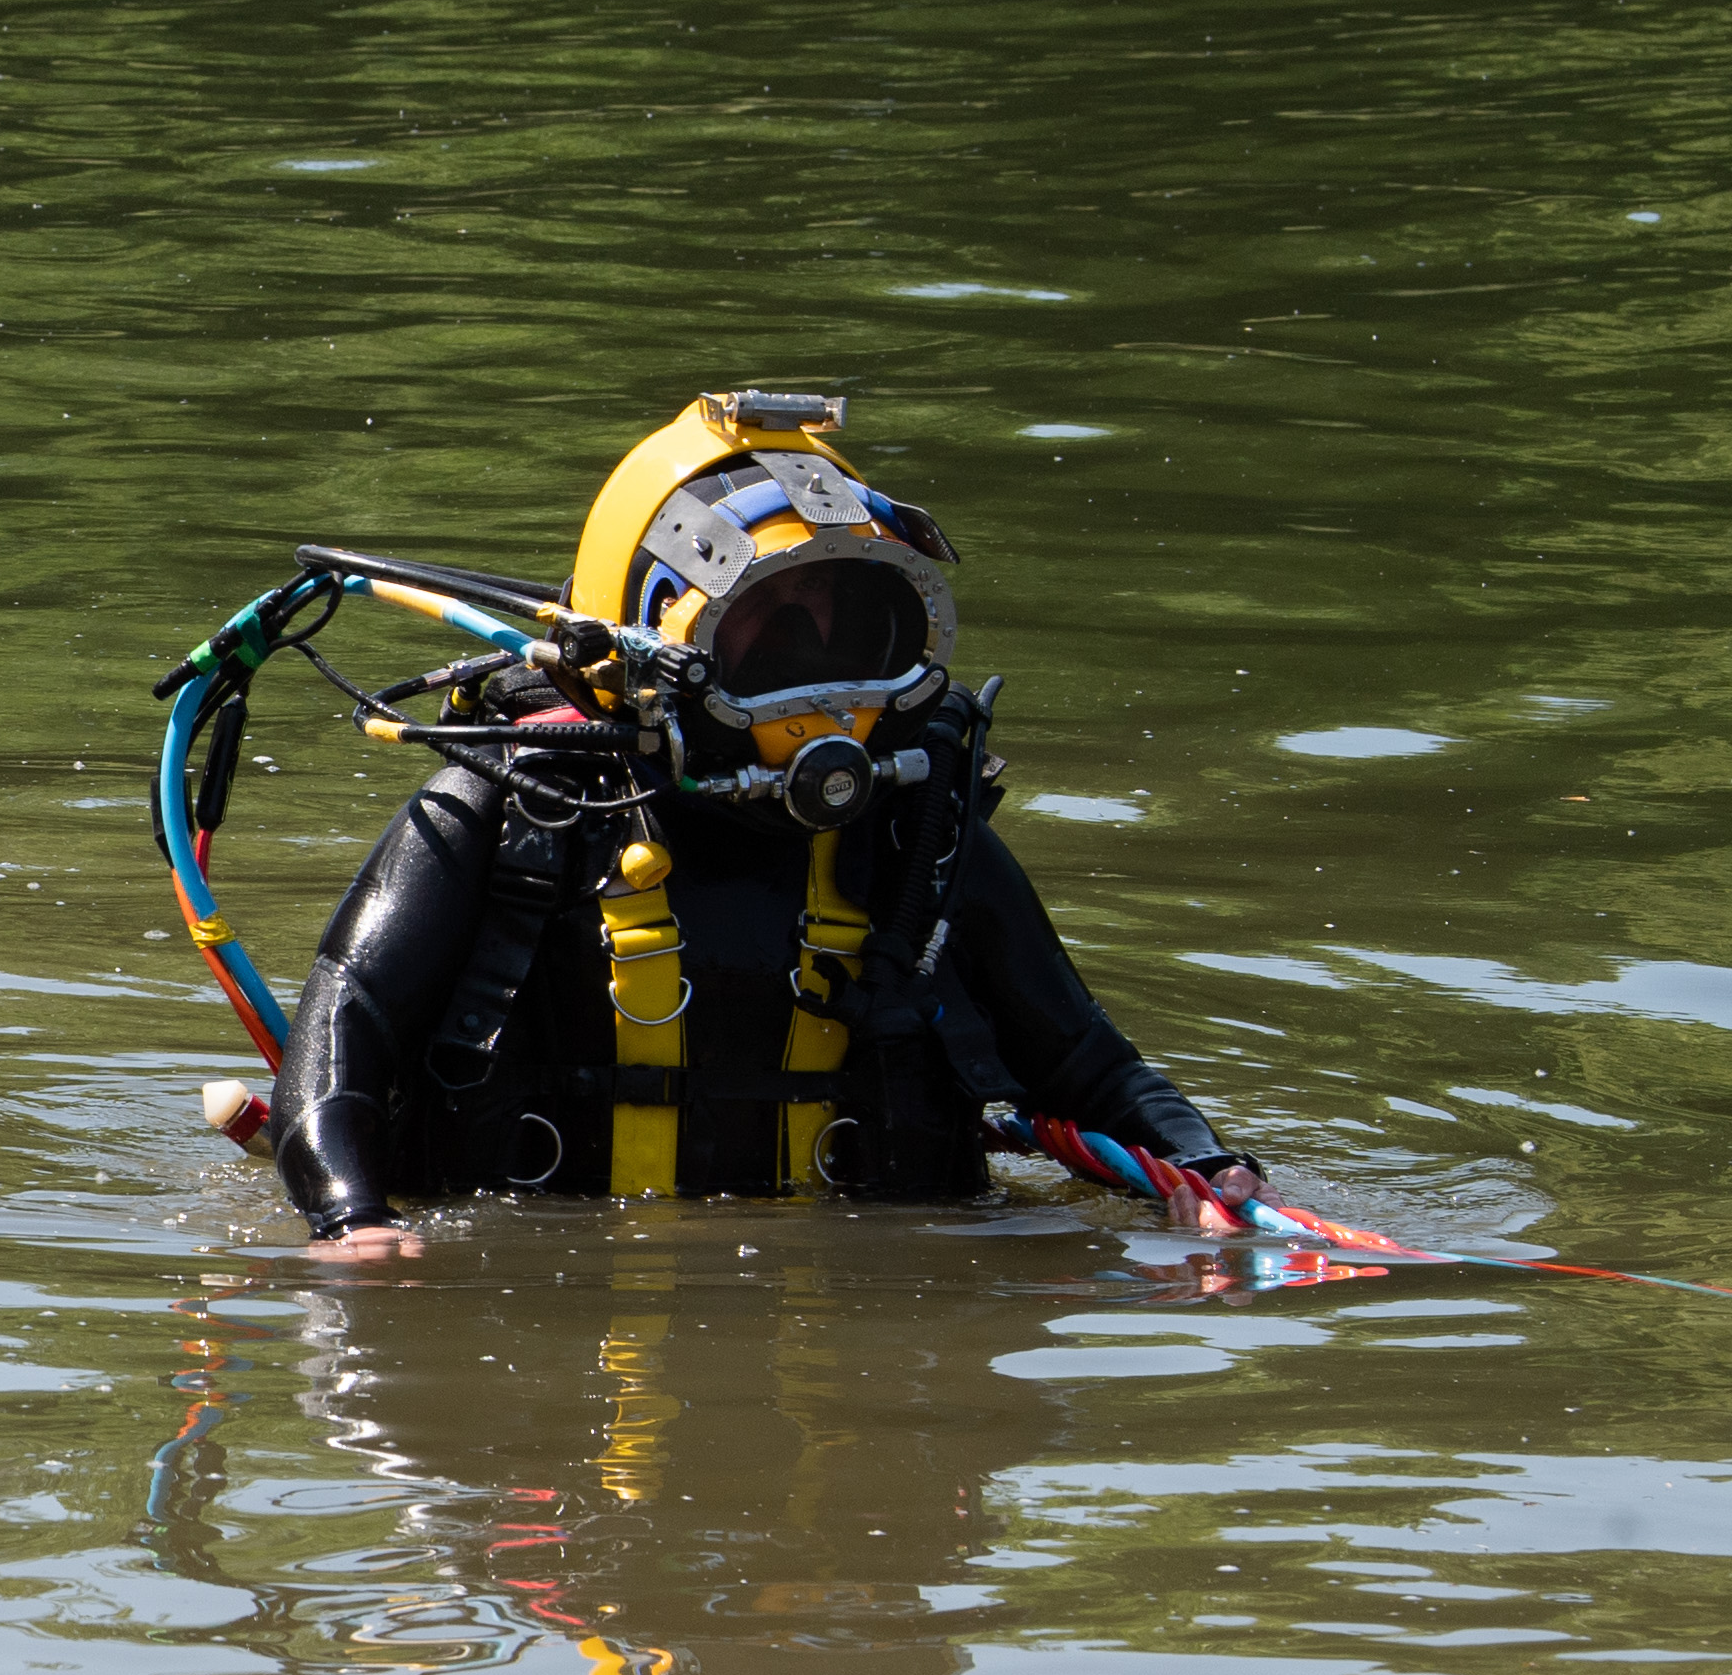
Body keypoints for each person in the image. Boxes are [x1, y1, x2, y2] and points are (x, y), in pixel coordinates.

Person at [267, 390, 1259, 1252]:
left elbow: (1083, 1060)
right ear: (650, 643)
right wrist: (351, 1220)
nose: (823, 691)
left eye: (861, 632)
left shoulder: (917, 832)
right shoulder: (519, 804)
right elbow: (347, 1020)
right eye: (773, 637)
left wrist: (1208, 1172)